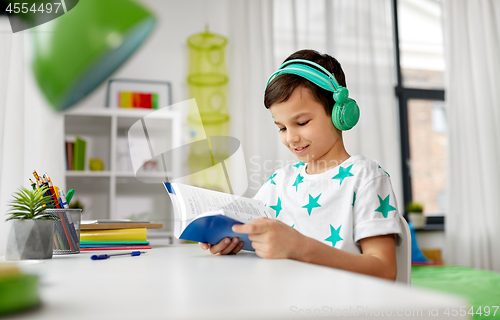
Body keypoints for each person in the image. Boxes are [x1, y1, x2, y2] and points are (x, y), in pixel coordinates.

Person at [199, 49, 402, 280]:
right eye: (282, 128)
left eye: (302, 122)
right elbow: (256, 239)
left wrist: (301, 247)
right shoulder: (278, 183)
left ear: (339, 113)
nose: (290, 138)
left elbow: (385, 270)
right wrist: (230, 241)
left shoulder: (365, 177)